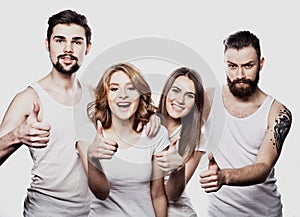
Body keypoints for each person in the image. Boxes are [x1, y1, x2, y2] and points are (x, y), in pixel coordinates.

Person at [199, 30, 292, 217]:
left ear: (261, 64)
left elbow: (263, 166)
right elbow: (169, 118)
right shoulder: (207, 100)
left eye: (248, 65)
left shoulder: (277, 112)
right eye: (232, 66)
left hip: (265, 213)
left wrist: (224, 176)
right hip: (218, 213)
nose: (240, 74)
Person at [76, 62, 171, 217]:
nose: (123, 95)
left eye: (131, 88)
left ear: (140, 95)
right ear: (105, 97)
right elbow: (101, 193)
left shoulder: (157, 134)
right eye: (114, 89)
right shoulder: (87, 134)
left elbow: (158, 194)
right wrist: (92, 158)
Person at [154, 67, 210, 217]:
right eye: (176, 90)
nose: (180, 100)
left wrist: (178, 167)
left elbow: (173, 194)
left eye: (189, 95)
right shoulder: (146, 121)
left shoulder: (196, 138)